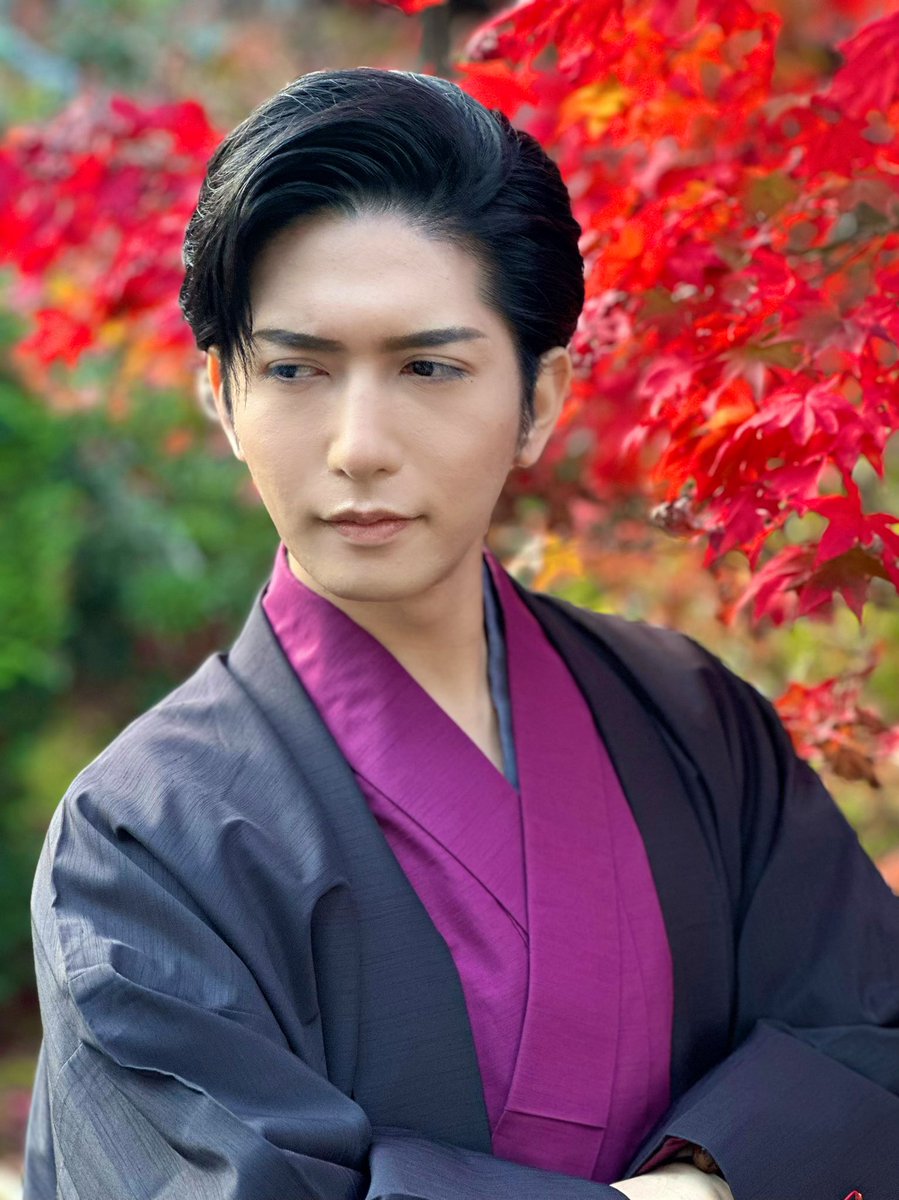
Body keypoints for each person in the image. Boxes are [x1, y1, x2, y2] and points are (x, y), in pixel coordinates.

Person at [23, 68, 899, 1200]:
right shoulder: (140, 834)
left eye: (428, 367)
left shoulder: (690, 717)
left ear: (541, 398)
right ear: (224, 396)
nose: (358, 446)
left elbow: (863, 1031)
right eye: (294, 369)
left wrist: (705, 1177)